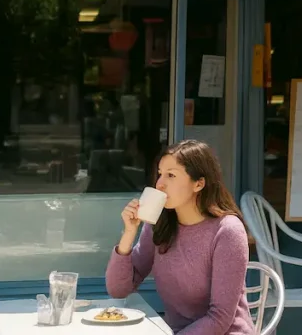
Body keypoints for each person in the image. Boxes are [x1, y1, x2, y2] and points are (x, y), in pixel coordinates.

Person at [106, 140, 254, 335]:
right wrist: (129, 234)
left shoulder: (227, 231)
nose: (160, 183)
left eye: (171, 175)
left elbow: (220, 317)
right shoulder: (159, 224)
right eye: (160, 174)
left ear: (199, 184)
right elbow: (119, 290)